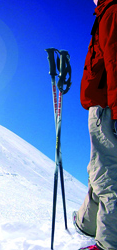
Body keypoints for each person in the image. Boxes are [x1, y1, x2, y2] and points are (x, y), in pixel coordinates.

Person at [74, 0, 117, 249]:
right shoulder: (104, 11)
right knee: (97, 170)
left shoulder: (111, 11)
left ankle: (108, 244)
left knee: (108, 177)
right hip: (101, 106)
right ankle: (87, 224)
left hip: (107, 108)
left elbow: (114, 60)